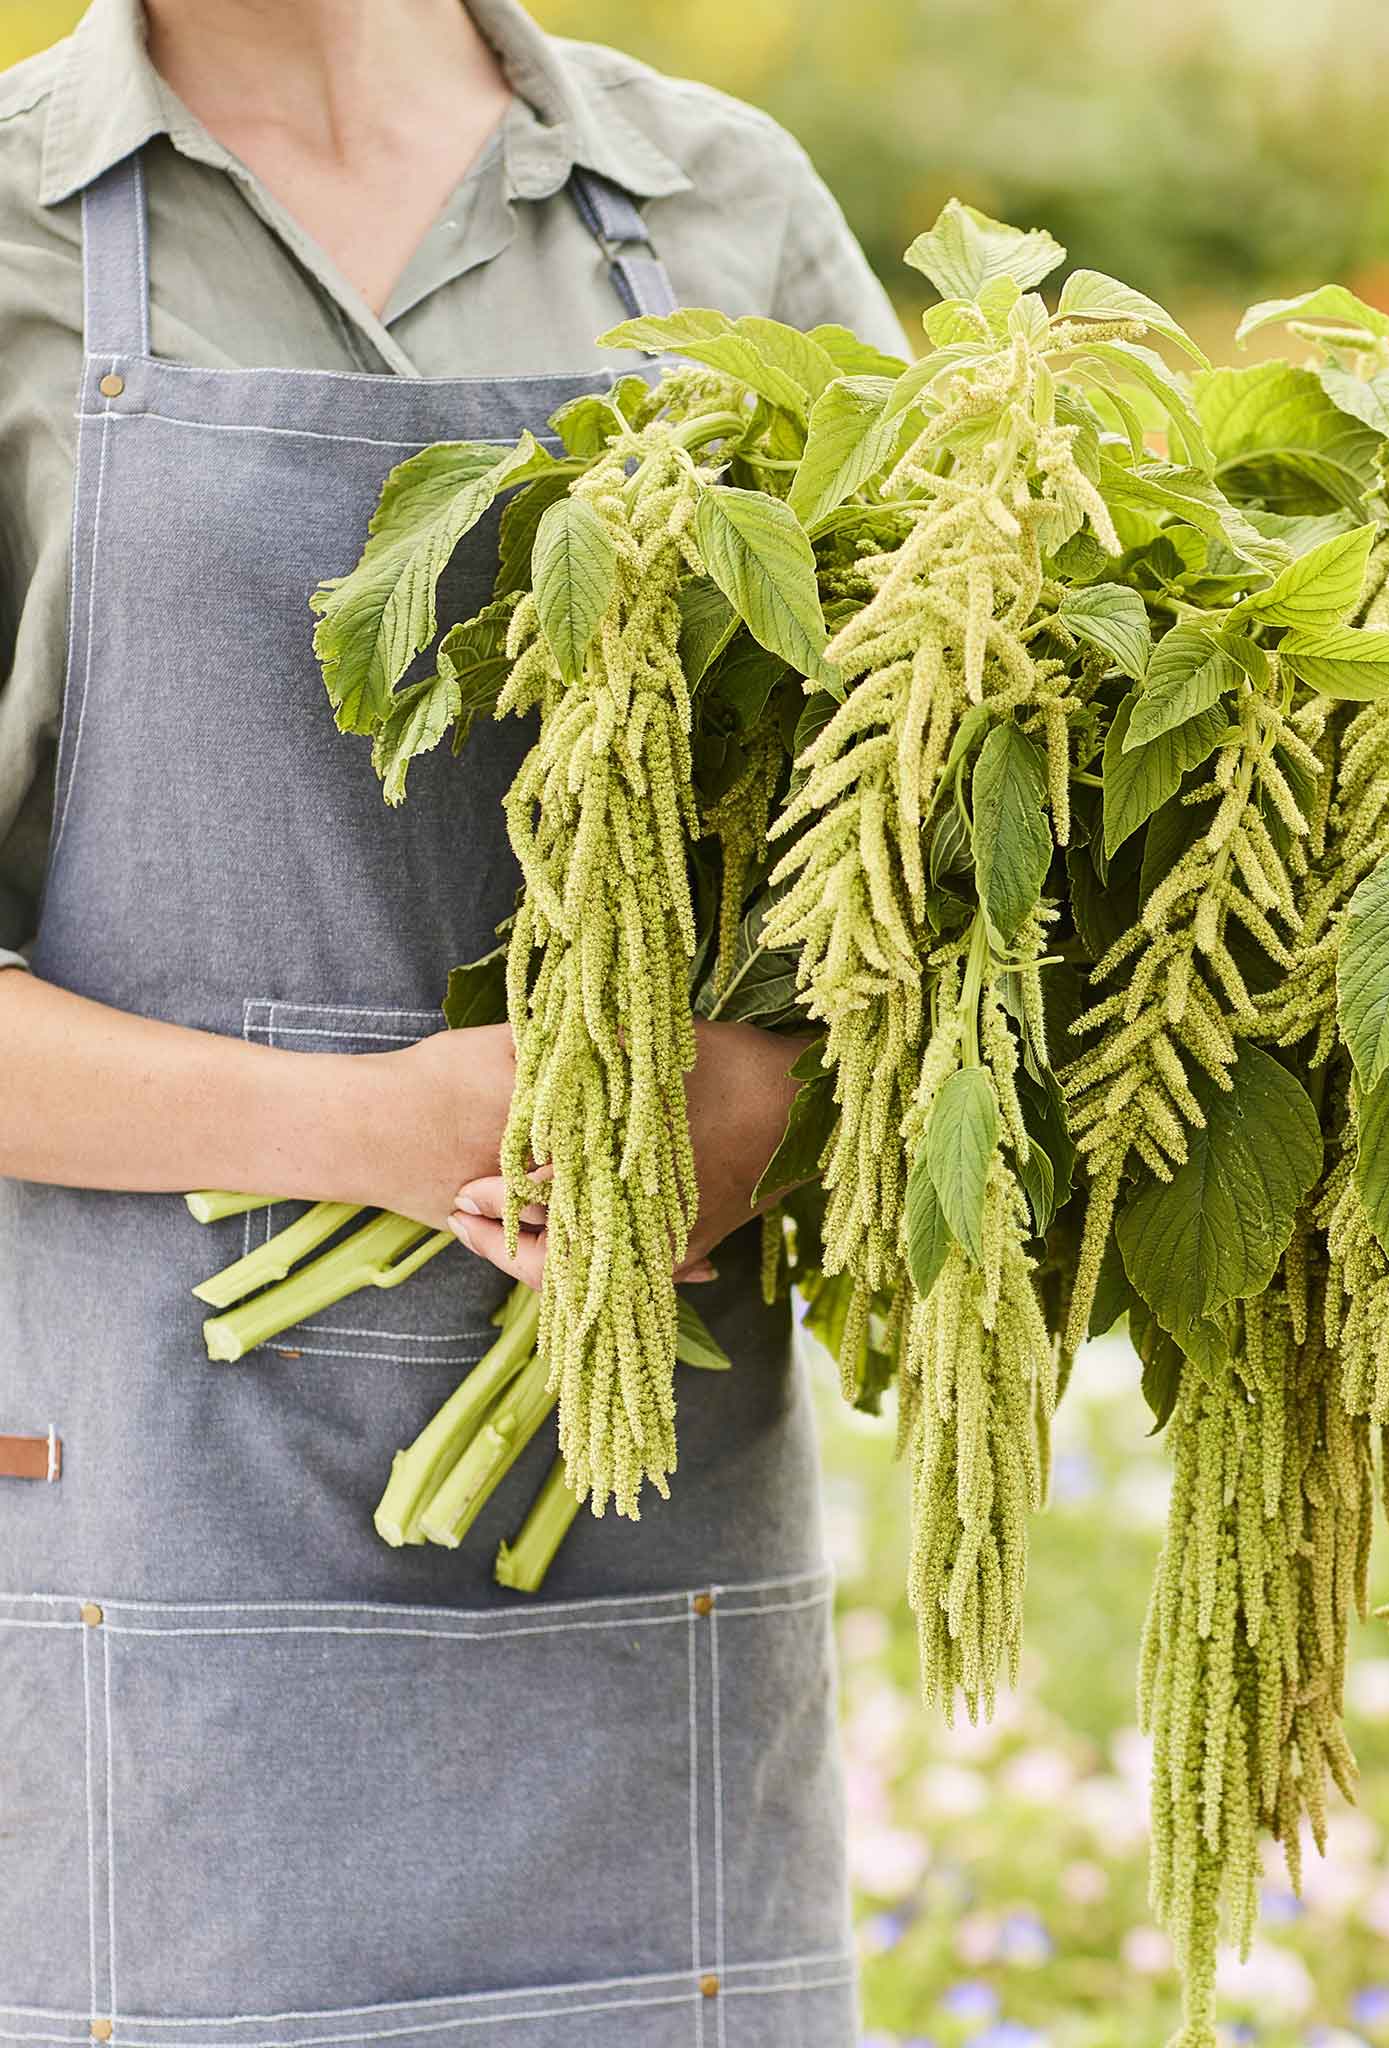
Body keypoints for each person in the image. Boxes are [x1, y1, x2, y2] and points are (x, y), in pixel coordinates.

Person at [0, 2, 906, 2039]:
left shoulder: (709, 202)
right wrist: (369, 1125)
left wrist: (767, 1076)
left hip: (638, 1492)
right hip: (161, 1521)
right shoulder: (15, 230)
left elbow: (944, 828)